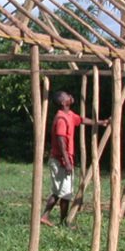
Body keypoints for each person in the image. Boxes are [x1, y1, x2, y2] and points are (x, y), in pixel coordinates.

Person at [41, 90, 108, 227]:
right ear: (63, 102)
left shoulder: (69, 115)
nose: (70, 96)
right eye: (67, 95)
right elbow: (60, 141)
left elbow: (82, 120)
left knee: (60, 192)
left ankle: (46, 217)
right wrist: (66, 161)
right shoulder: (61, 118)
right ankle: (63, 222)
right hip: (60, 160)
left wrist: (101, 123)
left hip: (63, 160)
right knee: (65, 193)